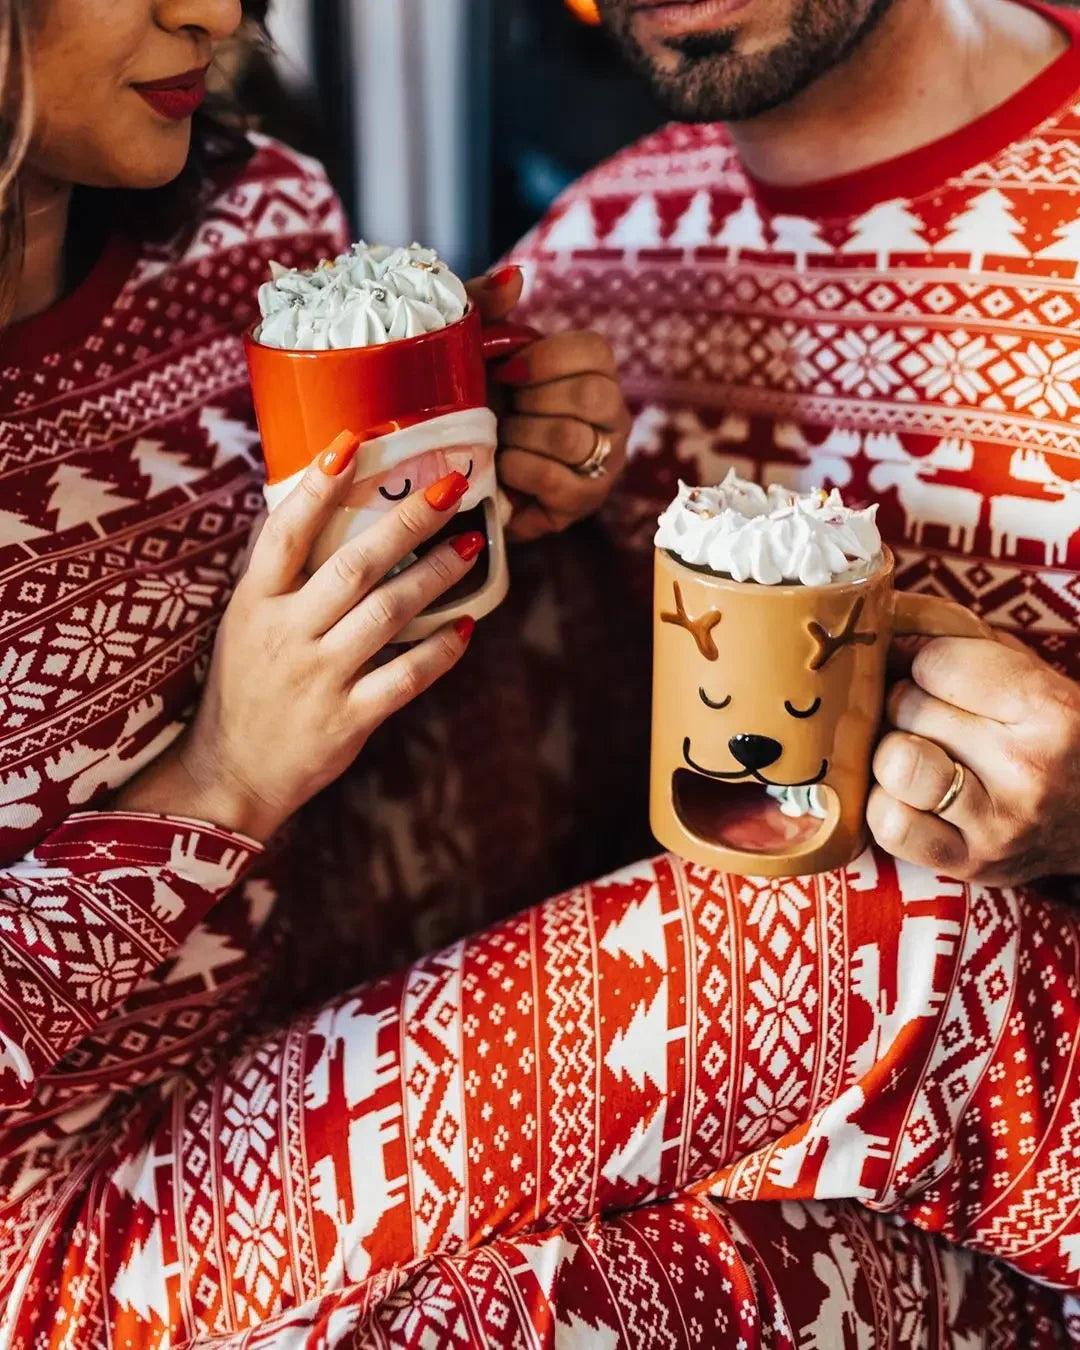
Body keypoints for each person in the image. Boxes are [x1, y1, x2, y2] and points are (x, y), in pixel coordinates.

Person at [2, 6, 1079, 1350]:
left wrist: (518, 485)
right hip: (62, 1231)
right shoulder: (605, 253)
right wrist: (219, 774)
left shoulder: (256, 229)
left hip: (298, 1066)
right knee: (894, 939)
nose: (219, 14)